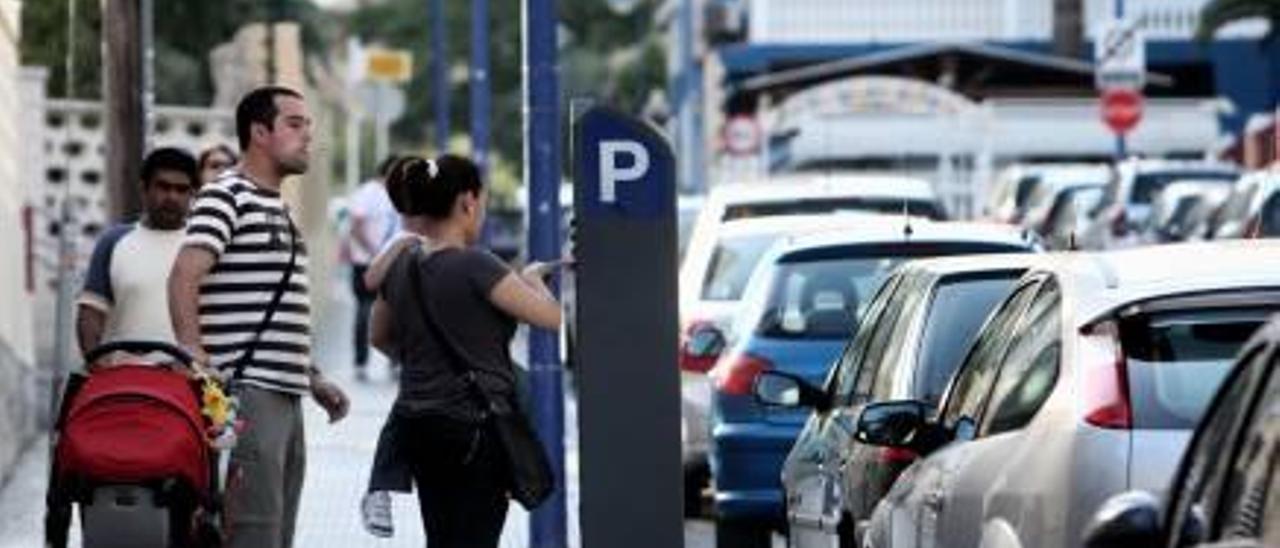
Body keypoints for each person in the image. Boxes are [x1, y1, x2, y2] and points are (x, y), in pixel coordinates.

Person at [168, 85, 349, 548]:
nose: (308, 135)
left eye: (308, 125)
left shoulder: (276, 208)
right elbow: (184, 274)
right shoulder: (225, 195)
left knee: (274, 535)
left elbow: (272, 304)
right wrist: (193, 351)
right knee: (250, 535)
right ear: (259, 132)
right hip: (246, 395)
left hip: (284, 396)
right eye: (294, 124)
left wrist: (311, 376)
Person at [366, 154, 562, 547]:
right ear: (468, 202)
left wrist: (425, 362)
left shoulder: (403, 265)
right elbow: (551, 317)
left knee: (441, 537)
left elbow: (379, 337)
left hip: (419, 425)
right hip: (475, 428)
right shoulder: (477, 265)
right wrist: (532, 279)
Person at [77, 147, 200, 363]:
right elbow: (91, 313)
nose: (172, 196)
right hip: (124, 383)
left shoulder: (203, 244)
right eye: (163, 187)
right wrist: (98, 366)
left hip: (189, 385)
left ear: (193, 194)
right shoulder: (113, 241)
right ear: (144, 188)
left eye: (182, 190)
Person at [345, 155, 401, 379]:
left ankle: (394, 360)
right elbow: (355, 227)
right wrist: (375, 253)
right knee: (364, 310)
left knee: (397, 310)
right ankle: (360, 361)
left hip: (393, 263)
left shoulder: (398, 194)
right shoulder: (367, 193)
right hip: (365, 263)